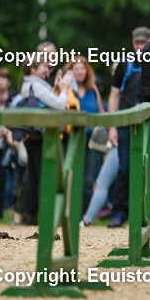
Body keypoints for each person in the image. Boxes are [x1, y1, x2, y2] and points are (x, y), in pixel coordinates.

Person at [14, 59, 76, 225]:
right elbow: (60, 105)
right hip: (42, 134)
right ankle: (46, 214)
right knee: (44, 175)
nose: (47, 70)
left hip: (32, 135)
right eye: (43, 67)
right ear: (33, 69)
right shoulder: (36, 85)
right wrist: (64, 89)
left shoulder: (28, 84)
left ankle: (31, 214)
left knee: (34, 175)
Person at [107, 27, 150, 227]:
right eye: (137, 44)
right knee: (124, 168)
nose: (140, 47)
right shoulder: (123, 65)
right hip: (125, 123)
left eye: (144, 43)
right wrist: (112, 126)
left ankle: (145, 213)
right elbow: (114, 95)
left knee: (147, 169)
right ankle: (119, 212)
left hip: (148, 124)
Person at [64, 56, 107, 213]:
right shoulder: (68, 90)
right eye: (76, 69)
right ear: (71, 72)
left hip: (91, 140)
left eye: (82, 68)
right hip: (72, 138)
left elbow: (102, 113)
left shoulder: (93, 89)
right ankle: (70, 212)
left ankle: (86, 215)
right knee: (71, 175)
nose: (80, 71)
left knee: (89, 179)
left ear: (87, 71)